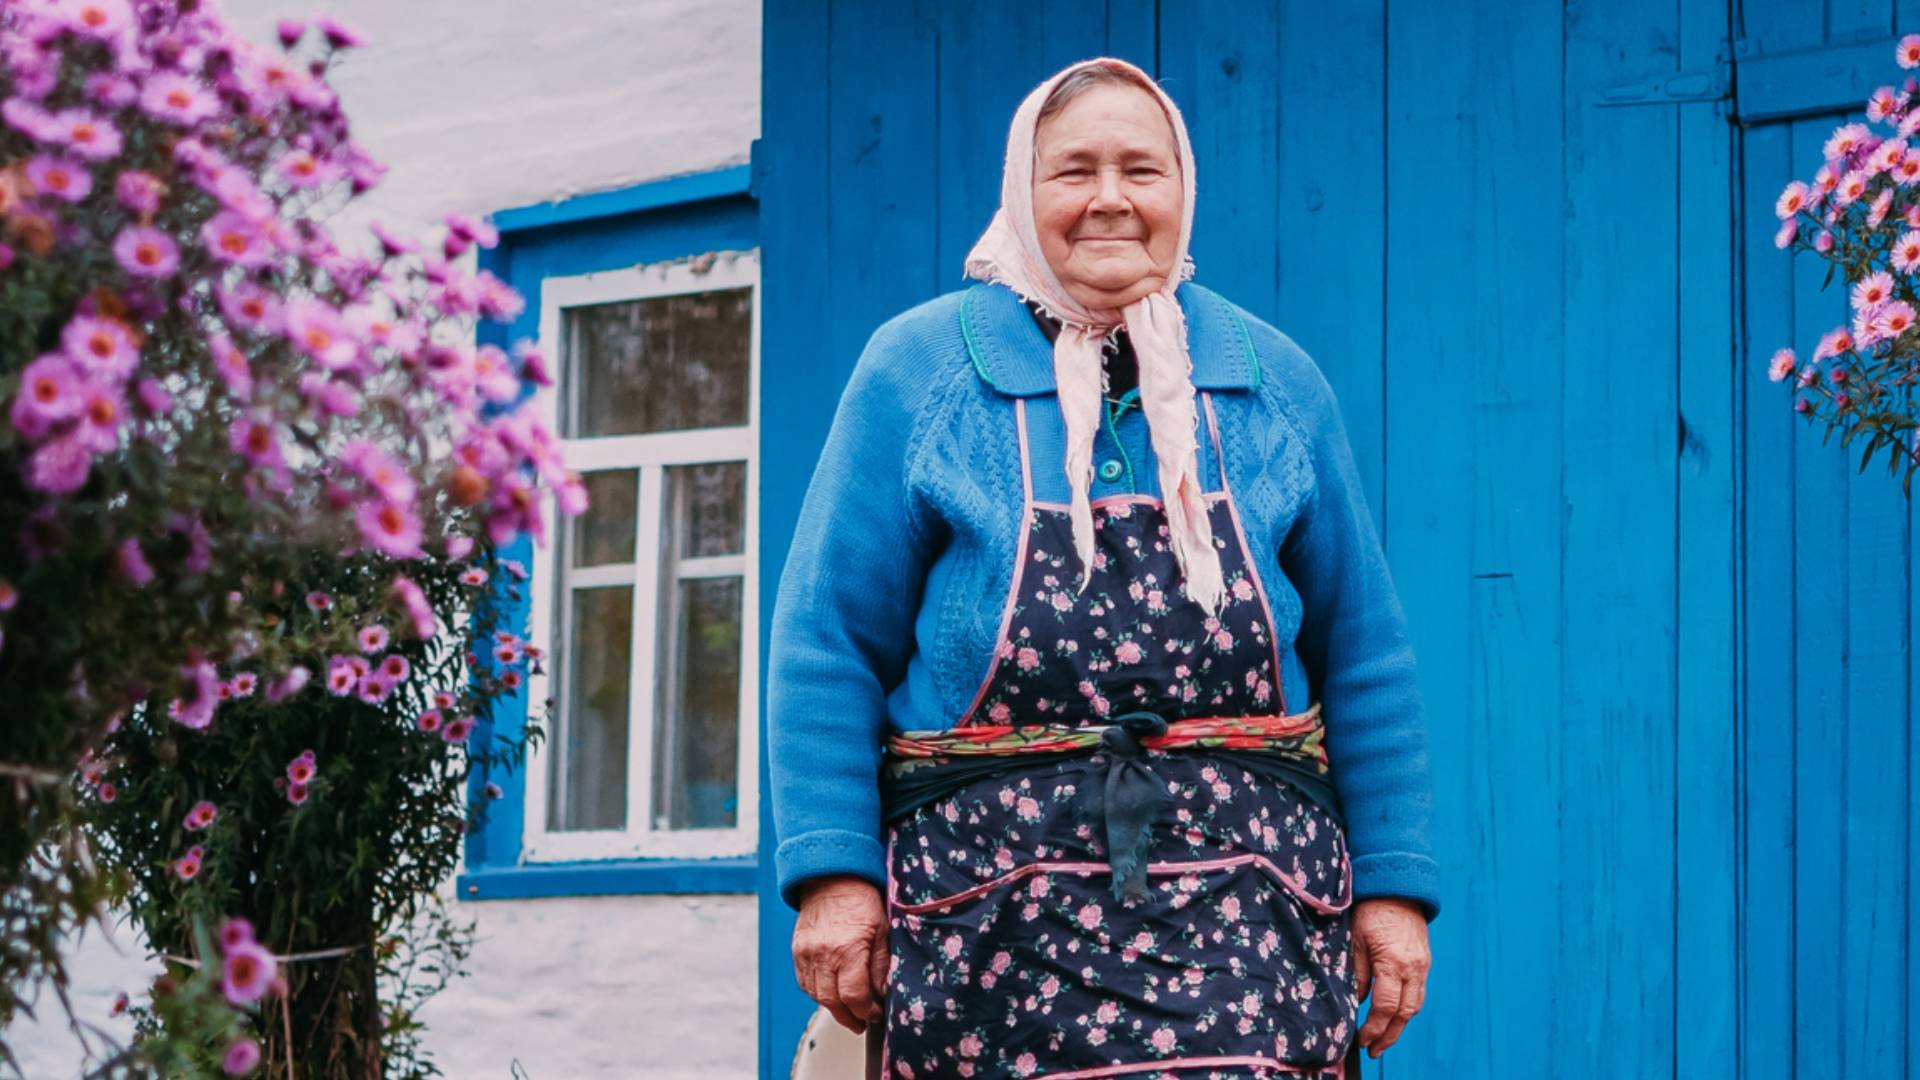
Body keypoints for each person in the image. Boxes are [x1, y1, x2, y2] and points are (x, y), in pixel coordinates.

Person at [768, 56, 1437, 1078]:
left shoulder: (1272, 381)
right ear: (1022, 191)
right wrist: (833, 875)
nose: (1111, 199)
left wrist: (1391, 889)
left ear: (1184, 190)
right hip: (986, 923)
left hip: (1248, 923)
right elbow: (827, 642)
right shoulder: (920, 372)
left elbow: (1367, 655)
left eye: (1142, 170)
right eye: (1075, 171)